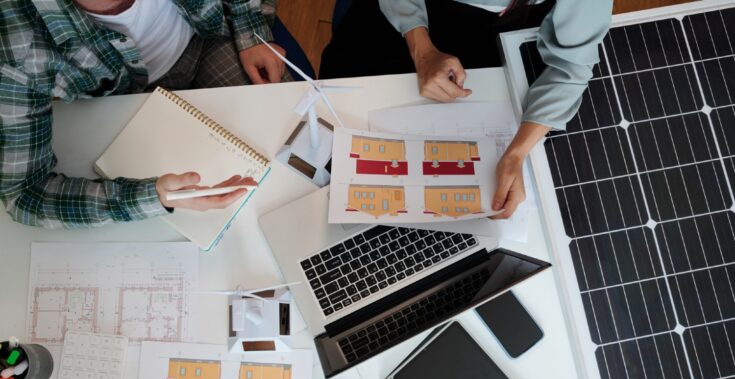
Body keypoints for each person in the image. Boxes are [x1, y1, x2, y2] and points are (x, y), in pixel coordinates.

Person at [0, 0, 288, 229]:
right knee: (195, 226)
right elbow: (24, 195)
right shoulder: (13, 39)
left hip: (205, 39)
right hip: (118, 100)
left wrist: (251, 31)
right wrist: (152, 198)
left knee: (288, 159)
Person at [320, 0, 613, 219]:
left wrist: (516, 153)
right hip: (397, 25)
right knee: (332, 173)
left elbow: (571, 66)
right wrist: (421, 49)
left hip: (493, 45)